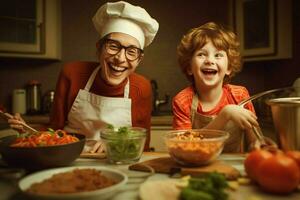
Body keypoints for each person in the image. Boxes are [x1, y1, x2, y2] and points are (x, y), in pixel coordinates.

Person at [8, 1, 159, 152]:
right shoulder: (72, 73)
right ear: (99, 48)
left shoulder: (141, 87)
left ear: (139, 60)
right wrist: (27, 131)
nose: (120, 58)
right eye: (113, 46)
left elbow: (141, 145)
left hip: (116, 161)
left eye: (131, 51)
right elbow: (55, 129)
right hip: (69, 158)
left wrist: (116, 144)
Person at [172, 22, 262, 152]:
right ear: (189, 67)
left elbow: (255, 140)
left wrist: (259, 146)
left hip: (233, 168)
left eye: (218, 55)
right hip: (197, 165)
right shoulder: (182, 101)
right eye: (201, 54)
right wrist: (225, 115)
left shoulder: (239, 95)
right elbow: (183, 147)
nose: (209, 60)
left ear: (229, 68)